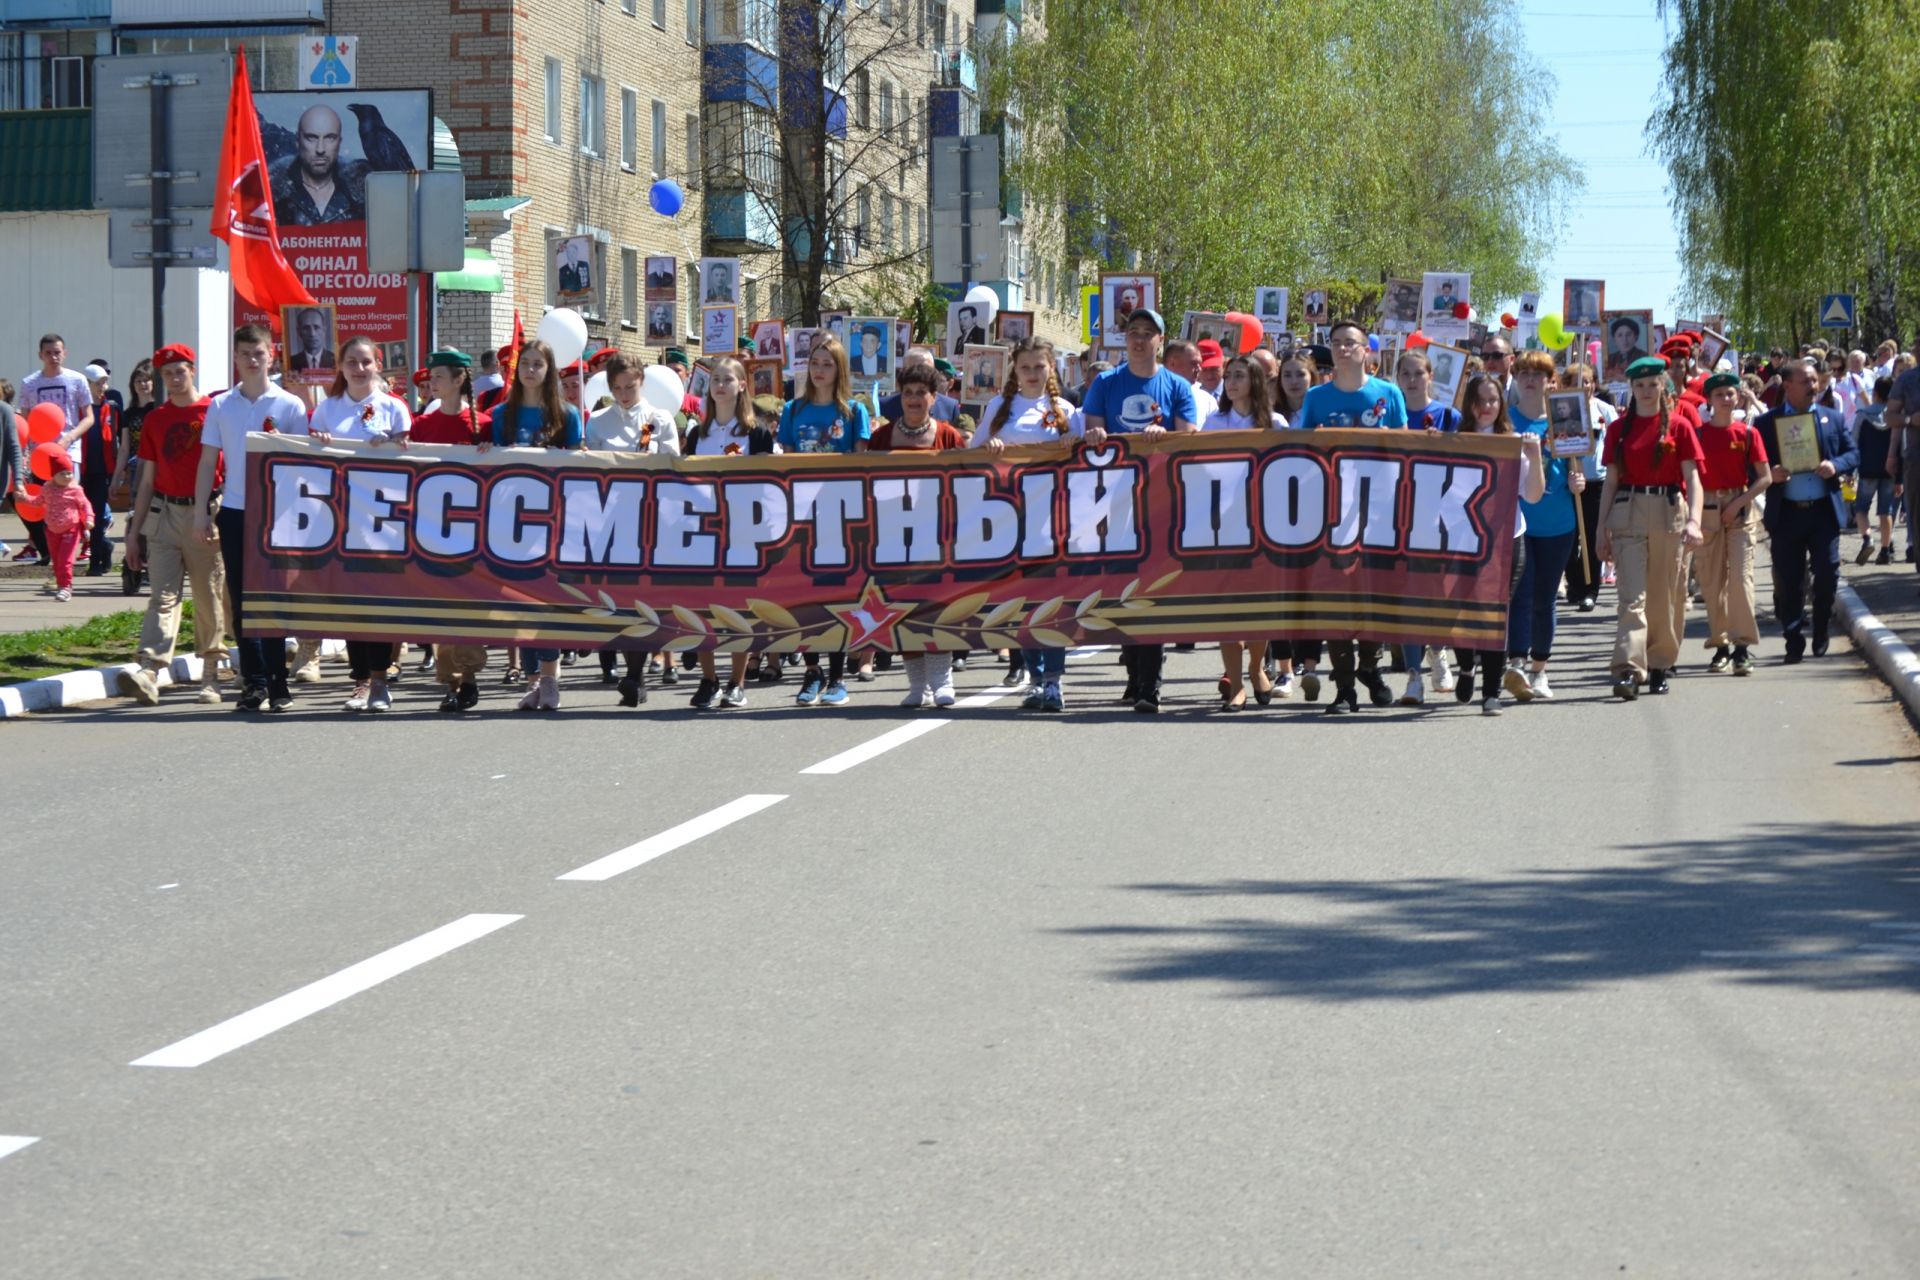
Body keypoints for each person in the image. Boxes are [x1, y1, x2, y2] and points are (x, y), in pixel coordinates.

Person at [1082, 306, 1198, 713]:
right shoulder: (1106, 383)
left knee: (1153, 592)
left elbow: (1190, 440)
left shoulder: (1177, 387)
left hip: (1160, 503)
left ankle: (1150, 685)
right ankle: (1134, 675)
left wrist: (1164, 436)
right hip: (1112, 502)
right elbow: (1092, 431)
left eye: (1148, 332)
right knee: (1120, 592)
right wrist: (1095, 433)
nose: (1138, 338)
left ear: (1159, 341)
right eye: (1133, 330)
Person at [191, 325, 312, 712]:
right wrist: (200, 514)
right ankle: (254, 683)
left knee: (273, 600)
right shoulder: (221, 405)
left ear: (271, 355)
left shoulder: (290, 406)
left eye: (258, 352)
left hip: (276, 515)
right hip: (235, 511)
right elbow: (209, 460)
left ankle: (279, 684)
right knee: (242, 600)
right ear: (236, 358)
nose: (252, 359)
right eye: (244, 353)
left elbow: (303, 465)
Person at [1293, 318, 1408, 714]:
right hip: (1332, 513)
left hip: (1379, 513)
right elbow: (1302, 454)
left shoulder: (1388, 394)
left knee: (1374, 596)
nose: (1344, 349)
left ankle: (1369, 667)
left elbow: (1405, 452)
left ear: (1366, 352)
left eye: (1351, 343)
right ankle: (1343, 687)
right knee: (1337, 598)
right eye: (1337, 343)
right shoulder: (1316, 398)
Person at [305, 337, 413, 711]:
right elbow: (310, 461)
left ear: (377, 365)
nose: (358, 368)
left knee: (380, 601)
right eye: (351, 361)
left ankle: (382, 679)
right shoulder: (327, 410)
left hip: (383, 521)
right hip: (340, 519)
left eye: (365, 361)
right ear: (341, 366)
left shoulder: (394, 408)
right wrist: (317, 442)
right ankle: (361, 681)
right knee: (351, 601)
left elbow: (411, 456)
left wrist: (398, 444)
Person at [120, 344, 231, 707]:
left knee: (208, 595)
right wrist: (134, 533)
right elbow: (147, 480)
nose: (174, 379)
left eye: (179, 371)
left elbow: (229, 469)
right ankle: (149, 670)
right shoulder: (155, 418)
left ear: (192, 370)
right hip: (164, 515)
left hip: (205, 514)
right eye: (167, 374)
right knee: (162, 595)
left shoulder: (214, 411)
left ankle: (211, 675)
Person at [975, 338, 1080, 710]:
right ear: (1014, 371)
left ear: (1052, 369)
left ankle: (1054, 680)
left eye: (1039, 367)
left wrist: (1074, 445)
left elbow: (1083, 463)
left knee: (1054, 603)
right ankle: (1034, 678)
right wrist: (991, 451)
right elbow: (971, 455)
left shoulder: (1065, 410)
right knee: (1022, 602)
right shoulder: (1000, 408)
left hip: (1053, 521)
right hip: (1009, 519)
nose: (1033, 374)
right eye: (1025, 368)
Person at [1595, 356, 1706, 699]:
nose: (1646, 391)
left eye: (1652, 385)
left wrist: (1695, 521)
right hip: (1628, 513)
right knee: (1632, 597)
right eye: (1639, 386)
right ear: (1631, 389)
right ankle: (1629, 669)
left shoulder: (1679, 427)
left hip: (1668, 513)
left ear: (1662, 387)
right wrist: (1600, 529)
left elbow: (1693, 478)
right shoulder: (1618, 429)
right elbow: (1610, 483)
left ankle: (1659, 665)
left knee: (1663, 598)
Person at [482, 339, 583, 708]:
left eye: (538, 364)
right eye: (525, 363)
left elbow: (578, 467)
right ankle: (534, 681)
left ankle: (551, 678)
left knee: (546, 601)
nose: (530, 370)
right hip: (509, 522)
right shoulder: (500, 416)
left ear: (549, 370)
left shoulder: (568, 415)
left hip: (552, 522)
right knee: (519, 603)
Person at [868, 363, 969, 707]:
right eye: (907, 392)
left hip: (936, 537)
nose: (913, 399)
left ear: (934, 397)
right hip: (893, 538)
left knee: (935, 608)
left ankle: (942, 681)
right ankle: (916, 685)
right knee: (901, 610)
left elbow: (966, 481)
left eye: (920, 393)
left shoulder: (948, 436)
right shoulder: (881, 438)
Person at [776, 335, 869, 706]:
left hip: (840, 517)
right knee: (805, 595)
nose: (819, 370)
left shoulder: (853, 412)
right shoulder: (792, 411)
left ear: (839, 369)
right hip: (802, 515)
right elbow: (785, 461)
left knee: (838, 595)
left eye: (827, 364)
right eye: (814, 363)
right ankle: (811, 671)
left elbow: (861, 465)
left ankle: (836, 675)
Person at [683, 356, 775, 709]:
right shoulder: (697, 433)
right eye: (715, 379)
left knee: (738, 607)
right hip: (703, 531)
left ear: (741, 386)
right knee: (703, 608)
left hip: (743, 531)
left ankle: (737, 682)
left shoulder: (756, 432)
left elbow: (769, 483)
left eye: (728, 379)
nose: (720, 385)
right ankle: (708, 679)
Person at [1752, 356, 1857, 664]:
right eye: (1806, 382)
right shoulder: (1765, 424)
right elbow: (1751, 468)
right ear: (1787, 387)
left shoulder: (1832, 418)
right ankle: (1793, 638)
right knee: (1789, 580)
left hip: (1823, 511)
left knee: (1827, 571)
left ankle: (1822, 624)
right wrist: (1771, 473)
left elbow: (1853, 453)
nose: (1814, 386)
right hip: (1786, 513)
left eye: (1815, 381)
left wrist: (1834, 465)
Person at [1453, 374, 1546, 714]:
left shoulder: (1513, 442)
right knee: (1460, 609)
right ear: (1469, 404)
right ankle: (1465, 664)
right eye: (1480, 400)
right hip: (1463, 540)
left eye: (1493, 400)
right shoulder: (1457, 439)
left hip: (1507, 539)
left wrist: (1534, 455)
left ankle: (1491, 691)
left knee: (1495, 612)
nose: (1487, 407)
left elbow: (1533, 495)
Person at [1200, 355, 1285, 710]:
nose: (1231, 382)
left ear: (1254, 380)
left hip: (1263, 528)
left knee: (1258, 607)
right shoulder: (1213, 422)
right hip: (1221, 528)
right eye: (1228, 376)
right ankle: (1234, 681)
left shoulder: (1275, 423)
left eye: (1239, 375)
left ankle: (1255, 666)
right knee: (1226, 608)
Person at [1504, 351, 1585, 701]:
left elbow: (1578, 467)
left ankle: (1540, 668)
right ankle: (1517, 662)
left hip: (1559, 523)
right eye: (1523, 372)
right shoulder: (1505, 422)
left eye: (1538, 373)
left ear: (1550, 380)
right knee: (1520, 596)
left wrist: (1578, 481)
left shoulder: (1563, 415)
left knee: (1545, 598)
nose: (1530, 379)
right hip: (1516, 525)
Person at [1392, 348, 1462, 702]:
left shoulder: (1449, 416)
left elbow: (1469, 465)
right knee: (1408, 598)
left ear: (1431, 376)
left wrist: (1445, 449)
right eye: (1405, 374)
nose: (1412, 380)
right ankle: (1413, 676)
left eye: (1419, 373)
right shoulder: (1390, 414)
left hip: (1441, 519)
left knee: (1438, 594)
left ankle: (1439, 652)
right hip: (1399, 518)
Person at [1690, 370, 1771, 675]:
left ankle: (1742, 648)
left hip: (1740, 512)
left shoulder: (1748, 434)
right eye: (1719, 394)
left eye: (1730, 393)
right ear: (1709, 400)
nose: (1726, 399)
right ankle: (1720, 647)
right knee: (1711, 583)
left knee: (1740, 579)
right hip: (1707, 511)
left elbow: (1764, 478)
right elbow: (1691, 477)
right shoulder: (1698, 435)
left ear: (1738, 397)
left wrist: (1739, 502)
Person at [20, 333, 93, 566]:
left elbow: (89, 418)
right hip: (41, 455)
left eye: (57, 352)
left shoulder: (77, 380)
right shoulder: (29, 384)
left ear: (65, 353)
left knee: (70, 500)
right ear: (40, 355)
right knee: (48, 506)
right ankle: (55, 554)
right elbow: (26, 421)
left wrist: (70, 436)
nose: (54, 357)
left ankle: (76, 547)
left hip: (69, 451)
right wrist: (25, 454)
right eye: (49, 353)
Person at [1556, 363, 1615, 612]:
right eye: (1576, 381)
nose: (1584, 386)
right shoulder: (1561, 409)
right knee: (1569, 538)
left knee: (1592, 536)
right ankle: (1575, 584)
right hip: (1568, 481)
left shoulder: (1604, 409)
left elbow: (1615, 439)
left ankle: (1590, 590)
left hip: (1596, 481)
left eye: (1588, 381)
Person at [271, 104, 366, 225]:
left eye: (329, 138)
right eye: (312, 138)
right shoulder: (272, 194)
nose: (320, 149)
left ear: (339, 143)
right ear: (298, 142)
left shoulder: (360, 197)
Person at [73, 363, 118, 574]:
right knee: (82, 518)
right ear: (88, 385)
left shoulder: (111, 408)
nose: (104, 387)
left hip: (101, 472)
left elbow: (118, 440)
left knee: (97, 518)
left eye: (105, 382)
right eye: (99, 383)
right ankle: (105, 548)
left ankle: (95, 563)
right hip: (81, 471)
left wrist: (117, 472)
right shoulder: (79, 409)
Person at [1850, 375, 1897, 566]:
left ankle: (1868, 538)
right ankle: (1885, 550)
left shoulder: (1863, 415)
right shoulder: (1894, 417)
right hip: (1889, 469)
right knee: (1886, 511)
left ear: (1875, 393)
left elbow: (1853, 441)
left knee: (1861, 508)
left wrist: (1851, 471)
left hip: (1867, 469)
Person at [38, 448, 92, 603]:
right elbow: (38, 501)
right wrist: (24, 498)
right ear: (53, 475)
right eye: (62, 473)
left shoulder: (75, 490)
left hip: (71, 529)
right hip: (52, 530)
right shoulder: (47, 489)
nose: (67, 476)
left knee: (66, 559)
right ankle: (61, 583)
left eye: (69, 473)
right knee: (56, 560)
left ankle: (66, 588)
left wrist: (89, 519)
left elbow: (85, 505)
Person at [879, 348, 960, 424]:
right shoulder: (884, 406)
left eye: (925, 369)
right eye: (913, 369)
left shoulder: (950, 407)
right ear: (903, 371)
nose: (919, 374)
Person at [1162, 339, 1219, 427]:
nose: (1199, 369)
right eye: (1193, 363)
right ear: (1172, 363)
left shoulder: (1208, 401)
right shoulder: (1152, 393)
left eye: (1200, 364)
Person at [288, 307, 335, 372]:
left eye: (316, 327)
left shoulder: (335, 360)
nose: (312, 334)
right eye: (306, 328)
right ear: (299, 332)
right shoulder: (290, 363)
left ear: (324, 330)